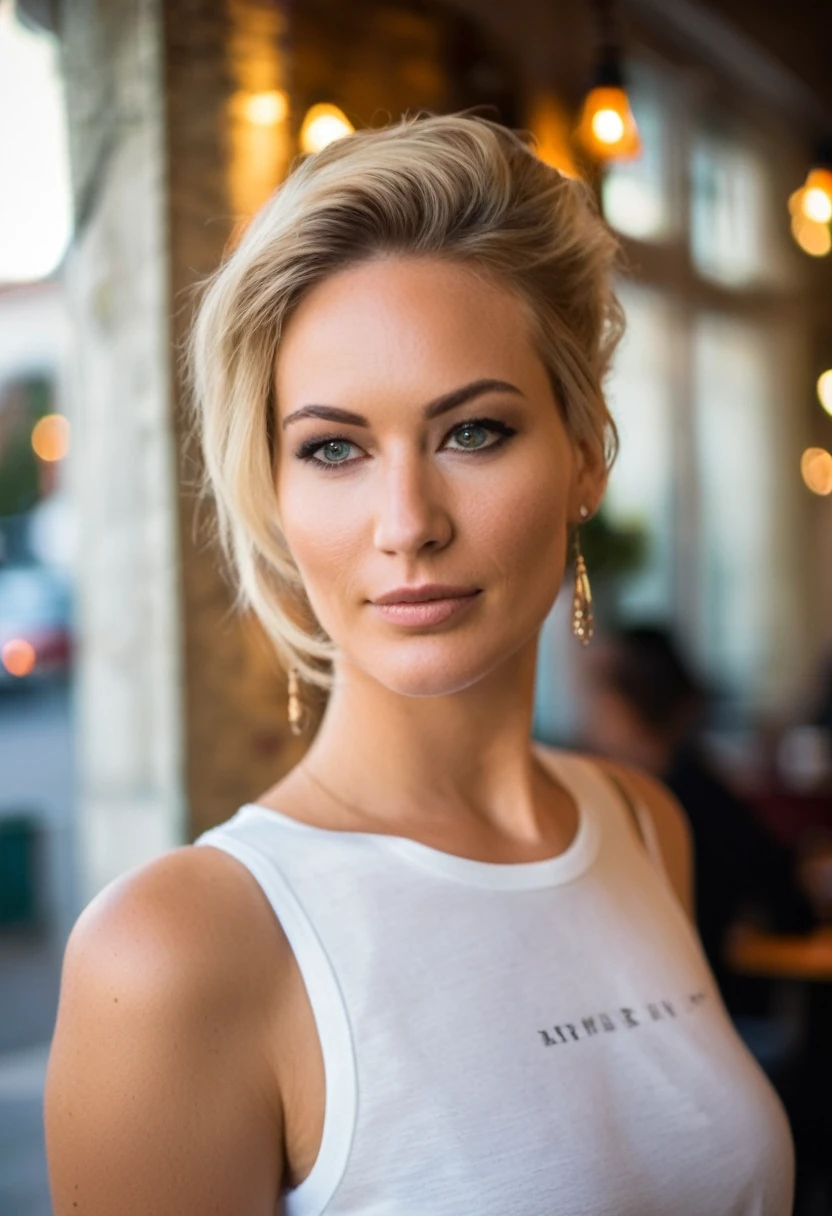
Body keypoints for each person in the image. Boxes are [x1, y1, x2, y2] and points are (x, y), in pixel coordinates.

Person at [44, 113, 795, 1216]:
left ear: (584, 456)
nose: (406, 523)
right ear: (276, 492)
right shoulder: (179, 951)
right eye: (333, 448)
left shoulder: (644, 828)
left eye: (473, 432)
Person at [582, 624, 816, 1011]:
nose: (587, 713)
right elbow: (788, 896)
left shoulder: (672, 801)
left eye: (596, 694)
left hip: (686, 1007)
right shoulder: (700, 790)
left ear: (624, 707)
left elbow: (787, 900)